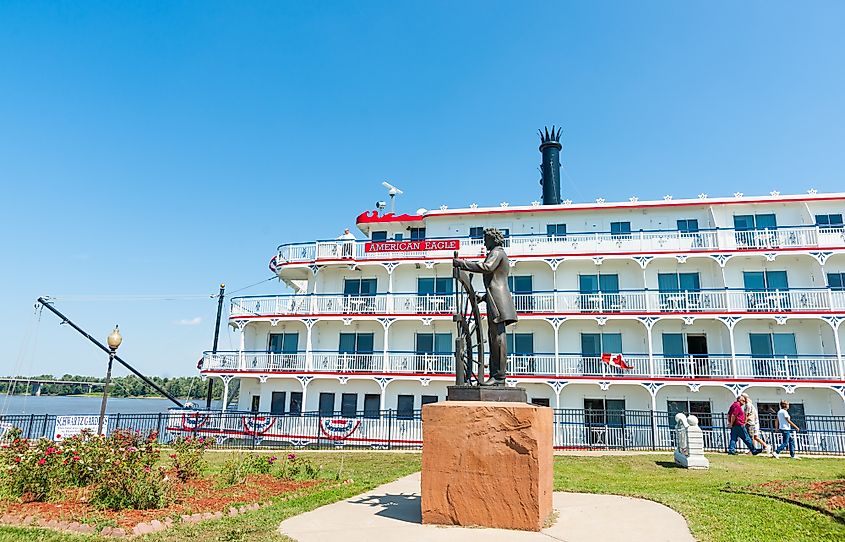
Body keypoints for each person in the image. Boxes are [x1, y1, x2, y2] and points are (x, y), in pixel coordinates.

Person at [453, 228, 518, 386]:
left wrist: (462, 263)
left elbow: (487, 267)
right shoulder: (497, 252)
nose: (484, 242)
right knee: (493, 337)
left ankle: (499, 376)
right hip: (494, 299)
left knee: (497, 338)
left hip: (498, 300)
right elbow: (494, 279)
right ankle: (496, 375)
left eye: (486, 238)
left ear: (493, 239)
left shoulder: (497, 252)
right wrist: (482, 298)